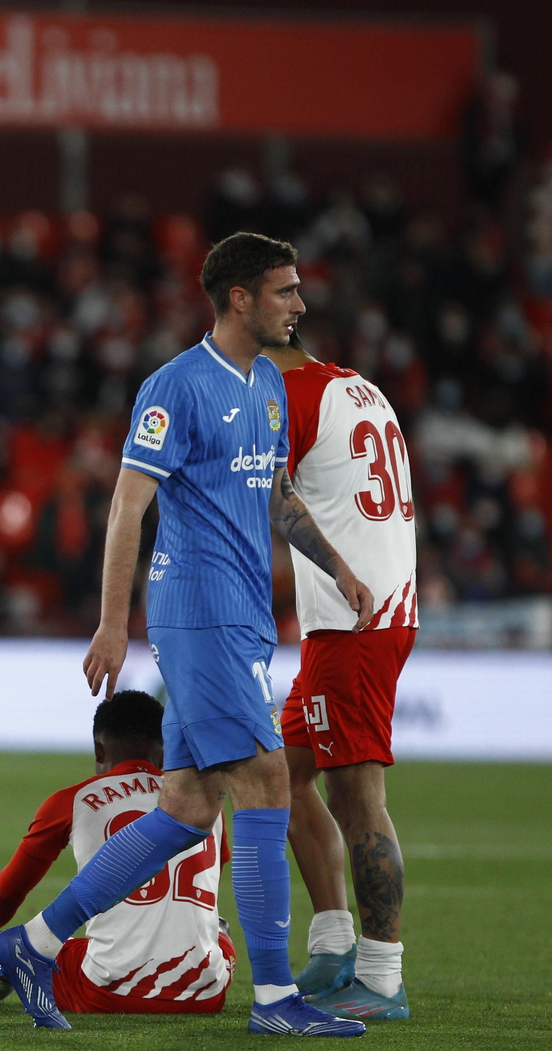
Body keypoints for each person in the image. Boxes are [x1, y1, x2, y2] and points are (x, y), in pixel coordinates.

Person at [0, 232, 374, 1037]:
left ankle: (34, 942)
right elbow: (128, 505)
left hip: (243, 615)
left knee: (189, 809)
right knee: (268, 778)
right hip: (198, 611)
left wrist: (336, 565)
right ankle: (274, 999)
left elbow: (277, 500)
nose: (300, 305)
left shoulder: (267, 385)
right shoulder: (176, 386)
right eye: (285, 291)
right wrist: (111, 622)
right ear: (239, 297)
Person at [0, 691, 237, 1014]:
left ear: (99, 750)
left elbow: (10, 888)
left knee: (18, 950)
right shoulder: (205, 806)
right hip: (207, 993)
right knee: (218, 930)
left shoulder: (75, 800)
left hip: (105, 990)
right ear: (164, 747)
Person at [263, 332, 417, 1020]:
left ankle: (383, 978)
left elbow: (274, 499)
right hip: (378, 608)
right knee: (281, 772)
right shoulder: (359, 388)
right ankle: (334, 944)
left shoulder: (287, 395)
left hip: (352, 620)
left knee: (358, 796)